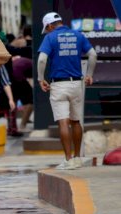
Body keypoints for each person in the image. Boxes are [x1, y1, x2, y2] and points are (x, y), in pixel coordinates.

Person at [37, 12, 97, 170]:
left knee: (63, 122)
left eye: (47, 28)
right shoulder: (78, 35)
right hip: (77, 83)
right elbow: (93, 54)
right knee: (76, 121)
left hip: (58, 85)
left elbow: (42, 59)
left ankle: (68, 159)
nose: (47, 31)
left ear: (50, 25)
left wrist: (40, 78)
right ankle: (77, 158)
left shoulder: (50, 38)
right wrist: (89, 75)